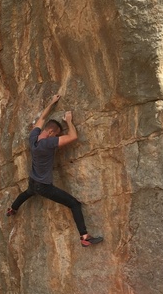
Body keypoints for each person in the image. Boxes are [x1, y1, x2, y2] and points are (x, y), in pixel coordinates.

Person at [7, 93, 103, 247]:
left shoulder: (33, 137)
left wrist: (52, 102)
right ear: (51, 133)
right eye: (57, 134)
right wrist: (69, 121)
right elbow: (73, 136)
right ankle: (84, 236)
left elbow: (42, 118)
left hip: (33, 180)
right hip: (44, 186)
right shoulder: (48, 143)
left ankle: (12, 208)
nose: (57, 137)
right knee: (74, 204)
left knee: (28, 193)